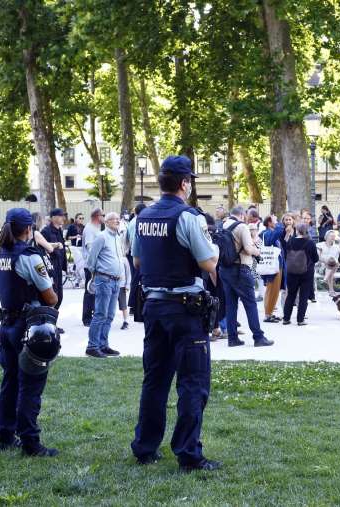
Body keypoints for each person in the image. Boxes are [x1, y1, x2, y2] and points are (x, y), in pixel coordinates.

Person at [131, 155, 222, 472]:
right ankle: (188, 453)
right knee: (192, 383)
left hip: (154, 306)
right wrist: (217, 245)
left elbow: (138, 262)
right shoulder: (189, 217)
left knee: (154, 380)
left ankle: (145, 446)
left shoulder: (141, 218)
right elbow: (209, 263)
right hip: (185, 309)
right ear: (185, 183)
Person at [0, 208, 60, 456]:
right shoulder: (28, 256)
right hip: (28, 326)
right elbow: (50, 297)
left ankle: (5, 433)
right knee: (30, 384)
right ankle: (30, 441)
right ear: (29, 230)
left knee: (10, 380)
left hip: (7, 324)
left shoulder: (1, 253)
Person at [220, 206, 273, 347]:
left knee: (230, 305)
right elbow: (249, 249)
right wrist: (258, 252)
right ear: (242, 215)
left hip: (225, 269)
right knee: (250, 304)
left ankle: (232, 338)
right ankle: (258, 337)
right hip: (240, 269)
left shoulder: (223, 224)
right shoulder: (242, 227)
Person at [85, 211, 123, 358]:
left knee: (110, 315)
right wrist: (97, 275)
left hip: (116, 280)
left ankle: (103, 345)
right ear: (106, 222)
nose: (117, 221)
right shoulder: (101, 237)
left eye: (118, 219)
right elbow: (91, 260)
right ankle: (92, 346)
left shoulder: (118, 238)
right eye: (114, 219)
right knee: (100, 314)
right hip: (104, 280)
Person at [282, 222, 319, 325]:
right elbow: (316, 258)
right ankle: (300, 320)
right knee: (303, 296)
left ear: (297, 230)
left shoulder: (290, 241)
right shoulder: (310, 243)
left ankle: (286, 318)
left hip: (291, 272)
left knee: (291, 295)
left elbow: (286, 255)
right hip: (306, 273)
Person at [40, 208, 67, 309]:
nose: (62, 218)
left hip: (59, 267)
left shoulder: (59, 230)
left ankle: (53, 321)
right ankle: (49, 321)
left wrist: (64, 267)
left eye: (63, 215)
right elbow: (41, 248)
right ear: (53, 218)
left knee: (59, 297)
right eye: (60, 216)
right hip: (51, 268)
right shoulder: (46, 231)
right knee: (53, 297)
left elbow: (62, 250)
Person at [260, 215, 284, 323]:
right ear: (269, 223)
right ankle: (268, 314)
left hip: (276, 265)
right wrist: (278, 224)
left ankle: (270, 312)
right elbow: (278, 232)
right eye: (275, 221)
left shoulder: (270, 233)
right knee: (271, 290)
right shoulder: (267, 233)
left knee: (274, 291)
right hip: (272, 267)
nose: (277, 223)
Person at [82, 208, 104, 326]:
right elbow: (90, 248)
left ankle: (93, 315)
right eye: (103, 215)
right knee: (90, 292)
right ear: (97, 216)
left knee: (94, 292)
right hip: (91, 265)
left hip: (96, 265)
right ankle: (86, 318)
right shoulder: (90, 228)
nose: (104, 218)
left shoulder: (96, 228)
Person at [317, 230, 340, 297]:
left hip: (334, 266)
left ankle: (325, 280)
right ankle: (331, 290)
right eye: (331, 236)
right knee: (331, 264)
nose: (333, 237)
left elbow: (339, 259)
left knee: (333, 262)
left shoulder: (337, 247)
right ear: (326, 237)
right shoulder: (320, 245)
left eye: (334, 236)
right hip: (322, 267)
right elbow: (318, 258)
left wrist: (333, 262)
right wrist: (327, 261)